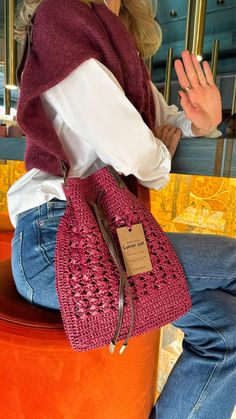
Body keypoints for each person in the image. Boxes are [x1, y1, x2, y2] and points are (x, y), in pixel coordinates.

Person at [7, 0, 236, 418]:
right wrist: (153, 158)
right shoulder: (63, 16)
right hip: (57, 244)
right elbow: (140, 154)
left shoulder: (118, 43)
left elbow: (163, 125)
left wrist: (201, 124)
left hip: (104, 238)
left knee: (227, 326)